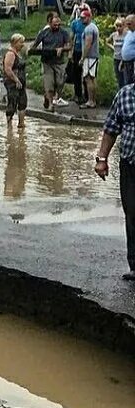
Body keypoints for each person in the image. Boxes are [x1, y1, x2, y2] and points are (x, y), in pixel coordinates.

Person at [93, 77, 135, 280]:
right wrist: (102, 159)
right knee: (132, 213)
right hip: (130, 164)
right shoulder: (125, 95)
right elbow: (111, 129)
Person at [28, 12, 71, 111]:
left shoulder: (63, 32)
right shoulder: (44, 33)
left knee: (60, 82)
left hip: (59, 62)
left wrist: (62, 48)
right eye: (54, 24)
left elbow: (69, 45)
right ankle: (51, 103)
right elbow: (35, 44)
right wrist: (30, 50)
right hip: (47, 62)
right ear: (49, 23)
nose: (57, 26)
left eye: (58, 24)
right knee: (49, 83)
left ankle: (47, 96)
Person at [3, 32, 28, 128]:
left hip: (21, 82)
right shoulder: (10, 53)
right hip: (12, 83)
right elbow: (7, 69)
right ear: (14, 42)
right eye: (20, 42)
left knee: (23, 102)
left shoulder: (18, 53)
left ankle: (21, 124)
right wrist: (16, 80)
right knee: (12, 102)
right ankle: (9, 126)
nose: (22, 44)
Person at [79, 6, 100, 109]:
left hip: (90, 57)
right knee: (91, 78)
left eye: (84, 18)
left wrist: (83, 57)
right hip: (93, 56)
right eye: (81, 18)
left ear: (89, 17)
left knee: (88, 78)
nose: (82, 20)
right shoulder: (93, 27)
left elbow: (88, 43)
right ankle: (93, 100)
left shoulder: (89, 29)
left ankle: (91, 101)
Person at [69, 4, 87, 105]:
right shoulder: (75, 23)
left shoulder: (90, 23)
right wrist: (70, 52)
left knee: (86, 75)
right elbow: (72, 37)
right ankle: (78, 94)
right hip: (77, 50)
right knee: (76, 74)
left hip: (86, 51)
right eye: (80, 10)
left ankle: (87, 95)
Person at [110, 17, 126, 90]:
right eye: (117, 26)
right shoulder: (114, 35)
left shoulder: (126, 35)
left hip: (124, 59)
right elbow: (106, 41)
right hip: (116, 58)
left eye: (120, 26)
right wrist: (113, 47)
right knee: (118, 78)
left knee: (125, 78)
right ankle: (120, 92)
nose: (118, 28)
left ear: (124, 26)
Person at [122, 13, 135, 89]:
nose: (127, 26)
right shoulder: (129, 33)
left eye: (129, 24)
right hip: (126, 62)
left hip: (132, 62)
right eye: (126, 24)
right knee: (126, 82)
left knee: (131, 82)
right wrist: (122, 61)